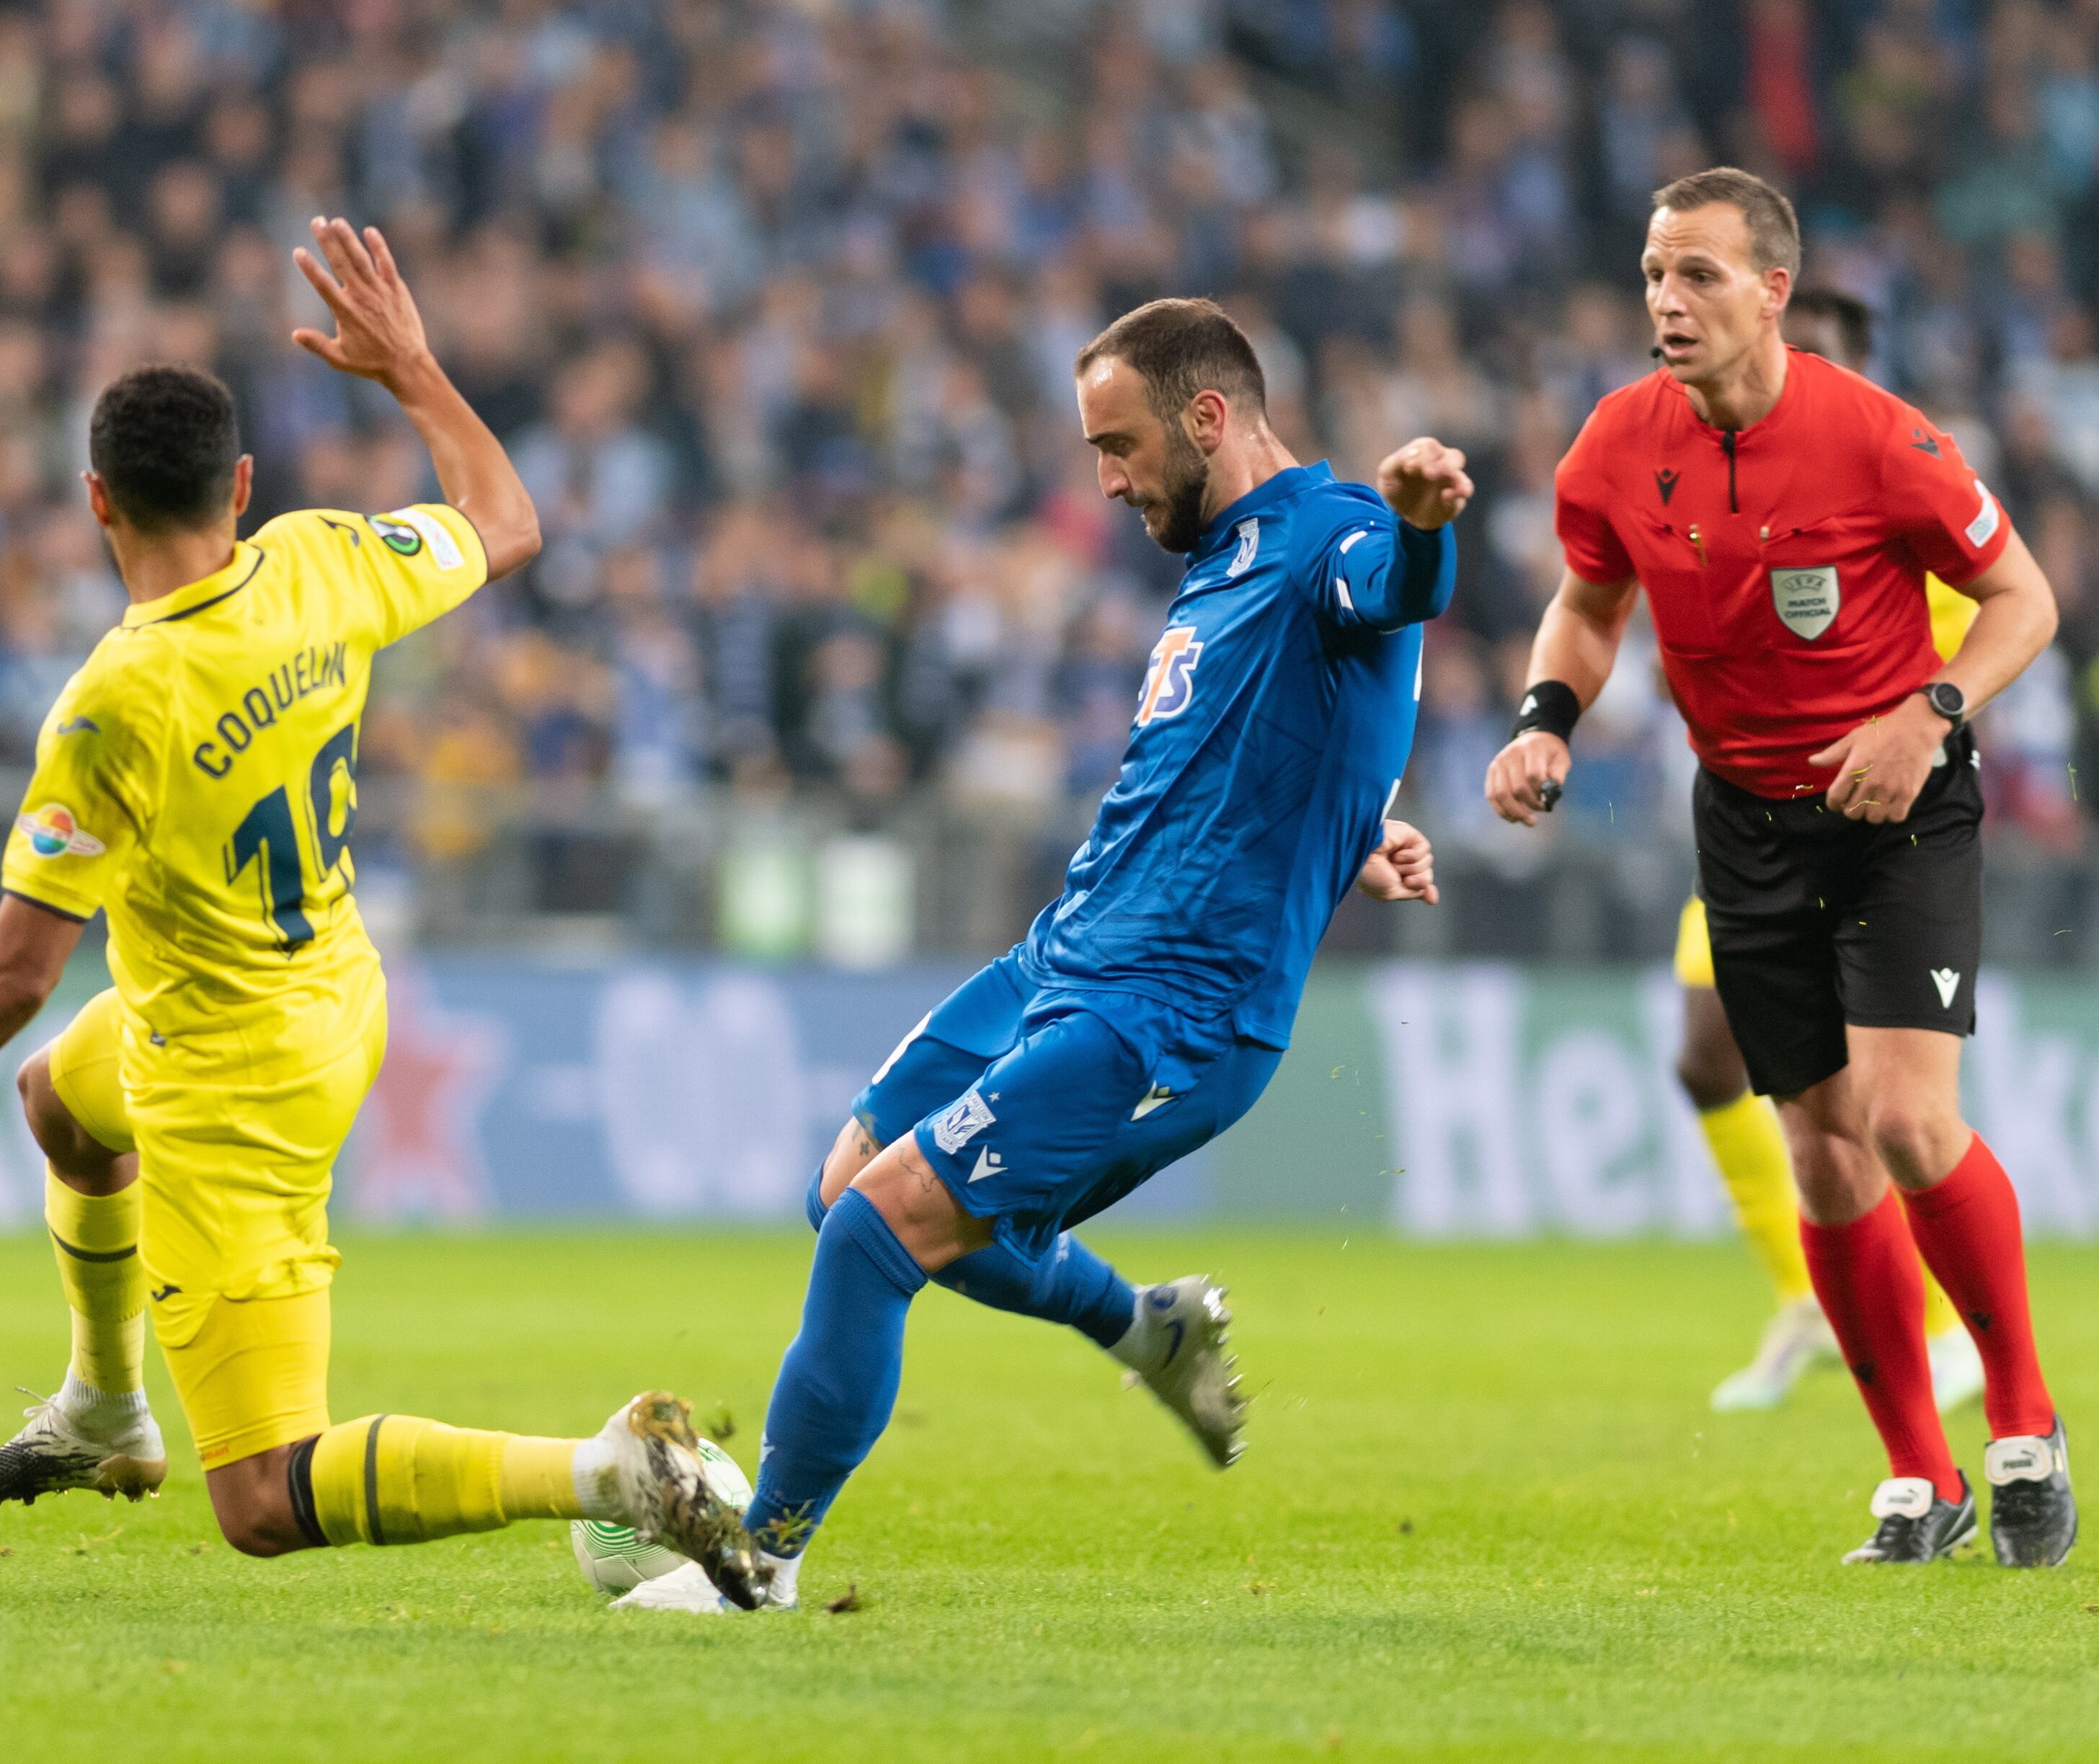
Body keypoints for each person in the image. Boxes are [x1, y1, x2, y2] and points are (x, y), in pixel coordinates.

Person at [0, 218, 768, 1606]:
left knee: (265, 1500)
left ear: (96, 501)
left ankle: (608, 1476)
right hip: (322, 988)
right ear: (245, 483)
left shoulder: (113, 703)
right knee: (60, 1103)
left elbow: (14, 968)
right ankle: (104, 1410)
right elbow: (507, 522)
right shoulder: (322, 559)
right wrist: (412, 372)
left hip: (232, 1083)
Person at [618, 296, 1468, 1613]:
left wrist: (1421, 521)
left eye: (1117, 446)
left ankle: (756, 1568)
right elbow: (1263, 747)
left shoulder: (1335, 533)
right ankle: (1143, 1326)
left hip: (1172, 1012)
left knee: (871, 1237)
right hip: (1059, 958)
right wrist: (1349, 833)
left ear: (1206, 417)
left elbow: (1397, 596)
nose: (1108, 479)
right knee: (840, 1187)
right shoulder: (1222, 558)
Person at [1488, 169, 2072, 1567]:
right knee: (1818, 1157)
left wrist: (1927, 714)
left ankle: (2026, 1424)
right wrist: (1543, 722)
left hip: (1898, 812)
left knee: (1906, 1123)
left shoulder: (1878, 440)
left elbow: (2025, 601)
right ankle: (1918, 1483)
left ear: (1770, 290)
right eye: (1650, 273)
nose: (1663, 302)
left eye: (1694, 274)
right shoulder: (1615, 446)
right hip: (1743, 820)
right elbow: (1585, 602)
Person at [1689, 285, 1984, 1419]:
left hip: (1875, 828)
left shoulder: (1900, 474)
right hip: (1752, 813)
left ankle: (1944, 1324)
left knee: (1888, 1111)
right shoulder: (1718, 473)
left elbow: (1979, 633)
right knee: (1709, 1057)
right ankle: (1812, 1301)